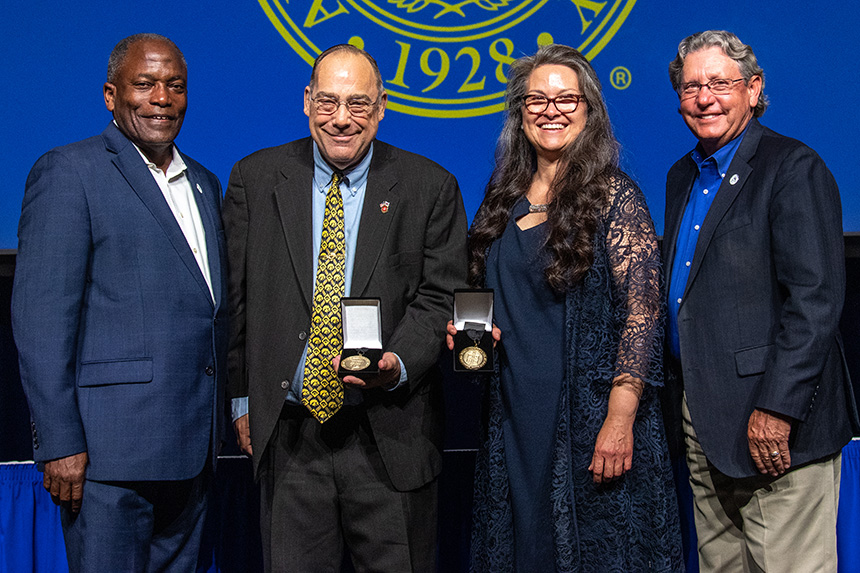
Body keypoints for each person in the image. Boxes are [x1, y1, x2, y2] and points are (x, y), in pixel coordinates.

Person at [222, 44, 468, 572]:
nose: (341, 119)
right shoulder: (255, 179)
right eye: (328, 101)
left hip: (391, 434)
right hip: (289, 437)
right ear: (307, 101)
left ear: (381, 108)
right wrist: (242, 401)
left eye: (358, 104)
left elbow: (439, 296)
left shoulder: (431, 187)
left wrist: (396, 363)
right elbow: (237, 302)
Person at [448, 44, 684, 572]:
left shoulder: (616, 196)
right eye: (536, 99)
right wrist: (465, 332)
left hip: (588, 421)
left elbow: (644, 315)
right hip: (511, 417)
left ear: (589, 110)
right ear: (519, 112)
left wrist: (620, 418)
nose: (550, 110)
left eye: (565, 98)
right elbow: (486, 293)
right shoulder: (501, 196)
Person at [11, 33, 227, 571]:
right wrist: (59, 443)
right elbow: (41, 321)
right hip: (108, 460)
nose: (161, 98)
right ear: (111, 95)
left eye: (174, 86)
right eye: (145, 84)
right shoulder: (68, 172)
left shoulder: (204, 182)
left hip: (192, 453)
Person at [663, 30, 860, 572]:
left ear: (754, 89)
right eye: (690, 86)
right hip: (703, 420)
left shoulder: (793, 167)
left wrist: (777, 408)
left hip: (775, 428)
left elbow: (816, 301)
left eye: (719, 84)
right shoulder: (681, 175)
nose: (704, 98)